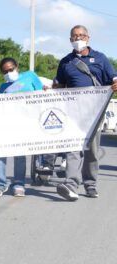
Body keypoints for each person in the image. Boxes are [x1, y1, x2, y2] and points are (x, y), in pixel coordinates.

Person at [55, 25, 117, 201]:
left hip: (95, 113)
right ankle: (71, 185)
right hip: (73, 113)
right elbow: (58, 86)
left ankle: (90, 184)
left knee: (92, 150)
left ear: (88, 38)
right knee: (73, 147)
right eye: (74, 36)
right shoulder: (65, 62)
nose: (78, 38)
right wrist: (51, 89)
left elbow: (114, 78)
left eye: (81, 35)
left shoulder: (100, 58)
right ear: (70, 40)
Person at [0, 57, 43, 197]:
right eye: (4, 72)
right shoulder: (4, 87)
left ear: (17, 68)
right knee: (1, 154)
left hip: (26, 123)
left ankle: (19, 184)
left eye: (10, 70)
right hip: (8, 124)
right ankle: (0, 184)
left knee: (19, 156)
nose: (8, 73)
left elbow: (42, 94)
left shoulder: (29, 76)